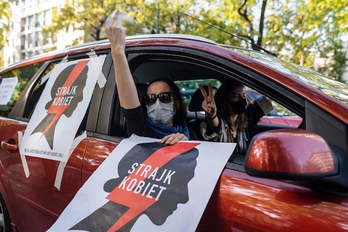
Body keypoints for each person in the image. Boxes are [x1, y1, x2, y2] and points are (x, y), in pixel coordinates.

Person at [106, 11, 189, 144]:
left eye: (164, 97)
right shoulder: (141, 131)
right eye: (150, 99)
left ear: (176, 104)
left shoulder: (188, 130)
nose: (156, 103)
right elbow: (131, 108)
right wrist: (117, 51)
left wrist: (186, 144)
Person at [199, 81, 273, 155]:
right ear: (225, 99)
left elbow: (269, 100)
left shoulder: (248, 114)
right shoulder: (220, 120)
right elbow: (216, 124)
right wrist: (212, 115)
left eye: (243, 95)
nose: (242, 99)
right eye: (235, 96)